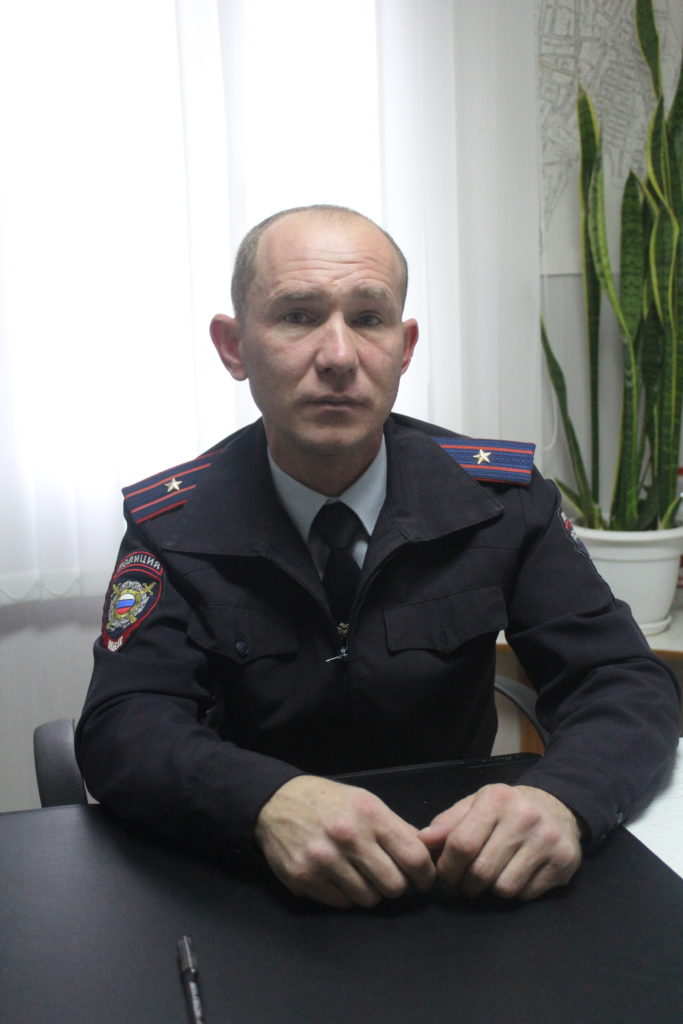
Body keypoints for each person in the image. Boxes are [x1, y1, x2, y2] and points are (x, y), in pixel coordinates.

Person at [76, 204, 680, 910]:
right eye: (298, 316)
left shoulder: (500, 501)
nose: (338, 355)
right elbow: (126, 722)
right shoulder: (176, 523)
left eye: (368, 318)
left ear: (404, 346)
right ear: (234, 346)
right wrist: (263, 801)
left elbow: (620, 680)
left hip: (460, 876)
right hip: (255, 884)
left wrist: (563, 798)